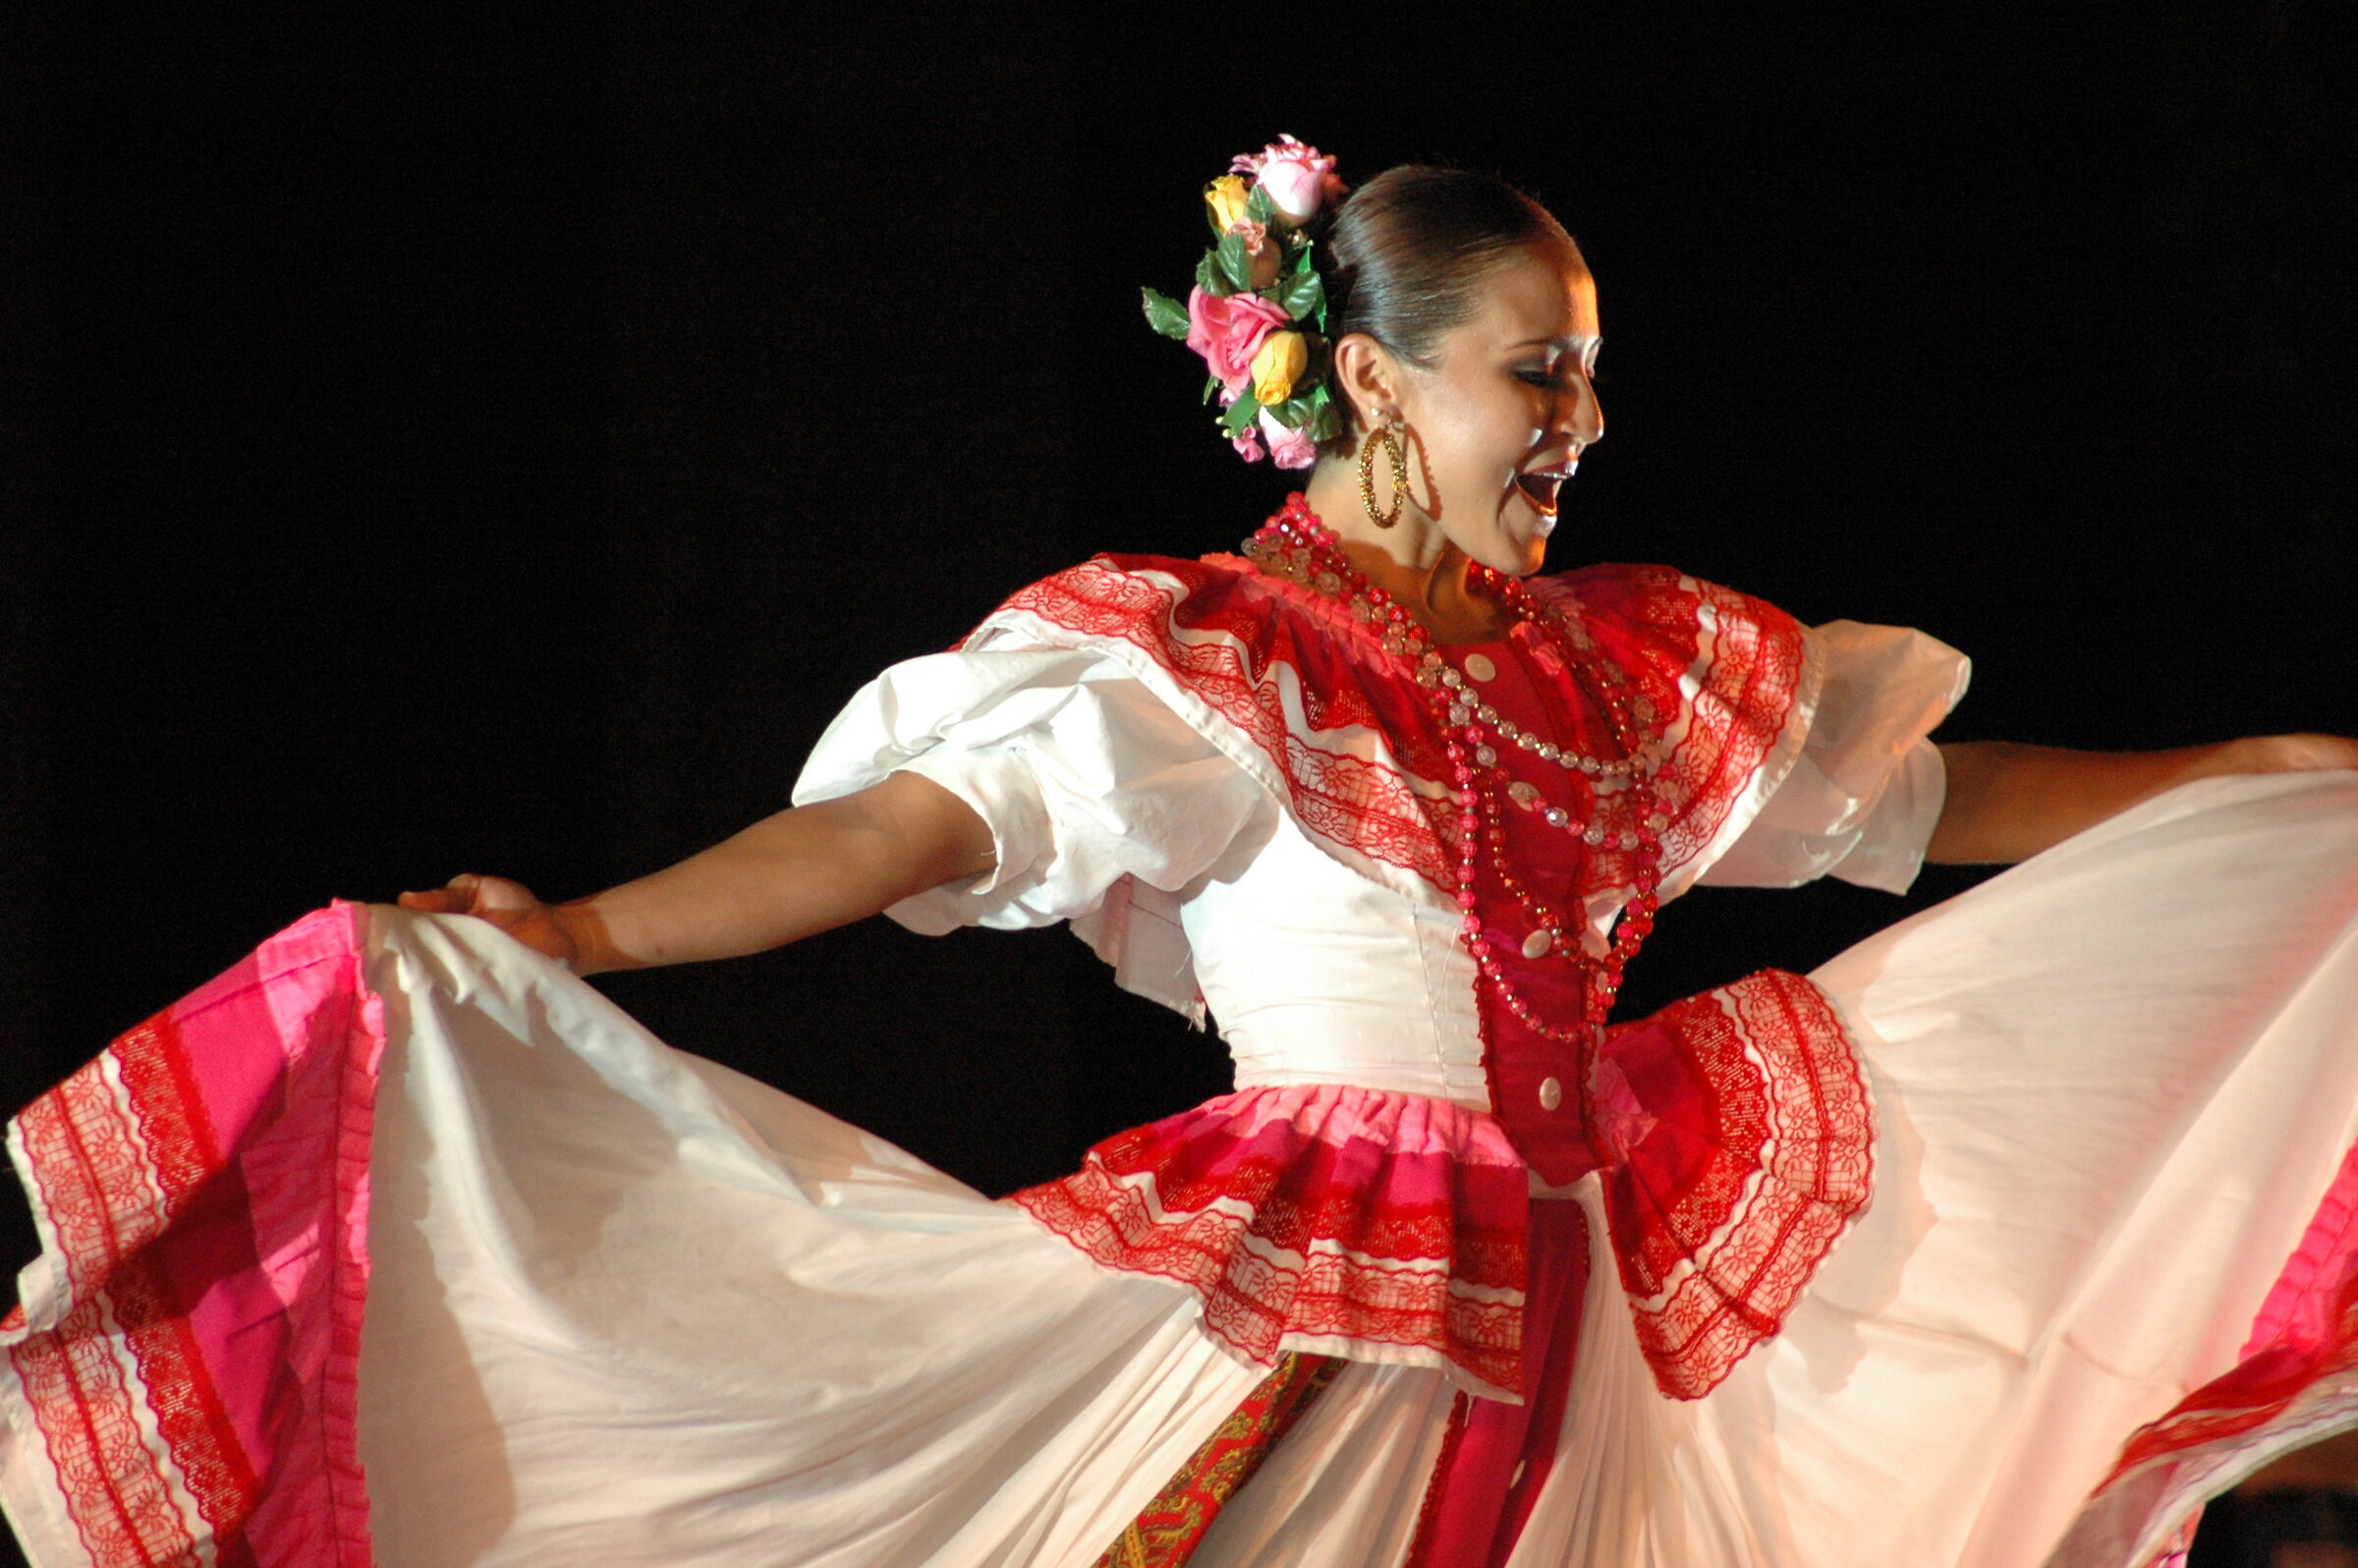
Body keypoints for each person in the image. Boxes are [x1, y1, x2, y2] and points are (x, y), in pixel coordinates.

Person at [4, 140, 2357, 1568]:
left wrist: (2268, 771)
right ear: (1367, 383)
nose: (1580, 423)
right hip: (1339, 1291)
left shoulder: (1618, 680)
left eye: (1588, 377)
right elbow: (908, 829)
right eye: (1533, 372)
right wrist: (590, 933)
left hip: (1585, 1321)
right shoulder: (1222, 661)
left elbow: (1954, 805)